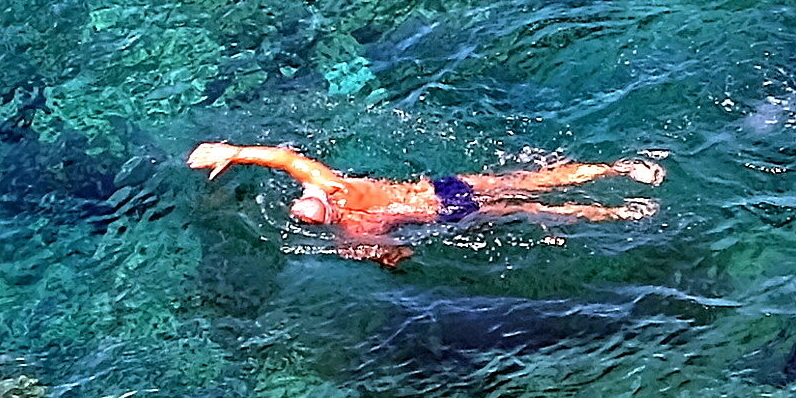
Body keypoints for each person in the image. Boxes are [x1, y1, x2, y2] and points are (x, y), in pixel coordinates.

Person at [187, 139, 665, 254]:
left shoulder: (354, 227)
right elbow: (286, 158)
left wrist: (361, 253)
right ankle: (622, 168)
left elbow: (400, 253)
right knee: (533, 179)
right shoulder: (331, 182)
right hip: (441, 187)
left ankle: (620, 213)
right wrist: (233, 151)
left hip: (450, 213)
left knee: (533, 211)